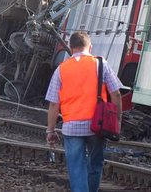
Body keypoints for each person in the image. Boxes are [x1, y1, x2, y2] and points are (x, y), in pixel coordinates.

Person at [45, 31, 122, 192]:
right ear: (90, 47)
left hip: (71, 127)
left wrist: (51, 130)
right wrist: (117, 121)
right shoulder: (100, 64)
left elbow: (54, 104)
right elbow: (116, 94)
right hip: (97, 124)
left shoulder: (61, 69)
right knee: (95, 165)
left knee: (76, 169)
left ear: (71, 49)